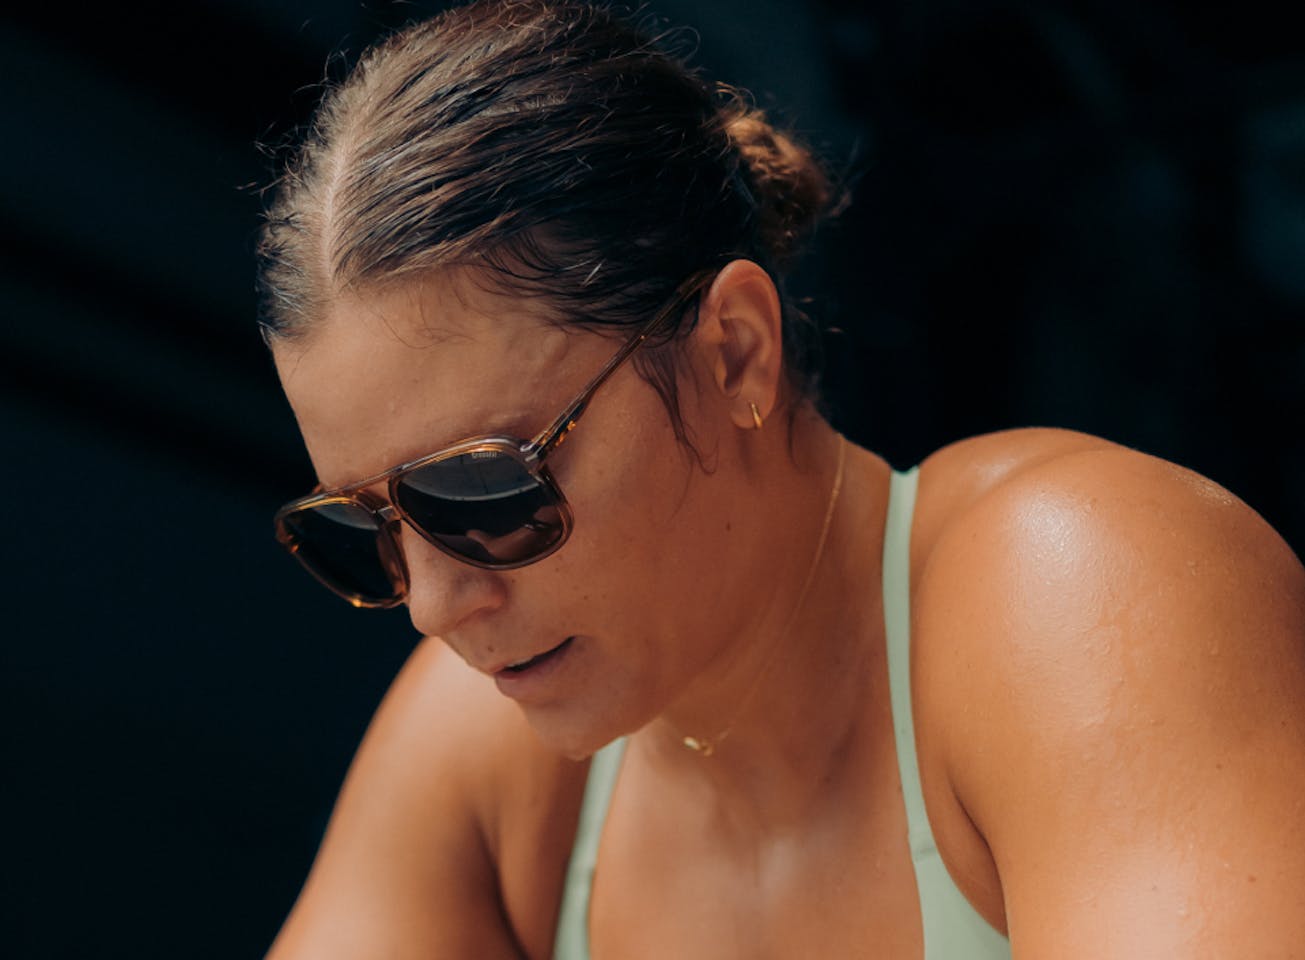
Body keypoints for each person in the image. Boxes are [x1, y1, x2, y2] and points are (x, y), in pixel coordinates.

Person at [257, 2, 1305, 957]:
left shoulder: (1081, 594)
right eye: (367, 529)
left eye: (483, 491)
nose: (435, 606)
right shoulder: (485, 750)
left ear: (735, 352)